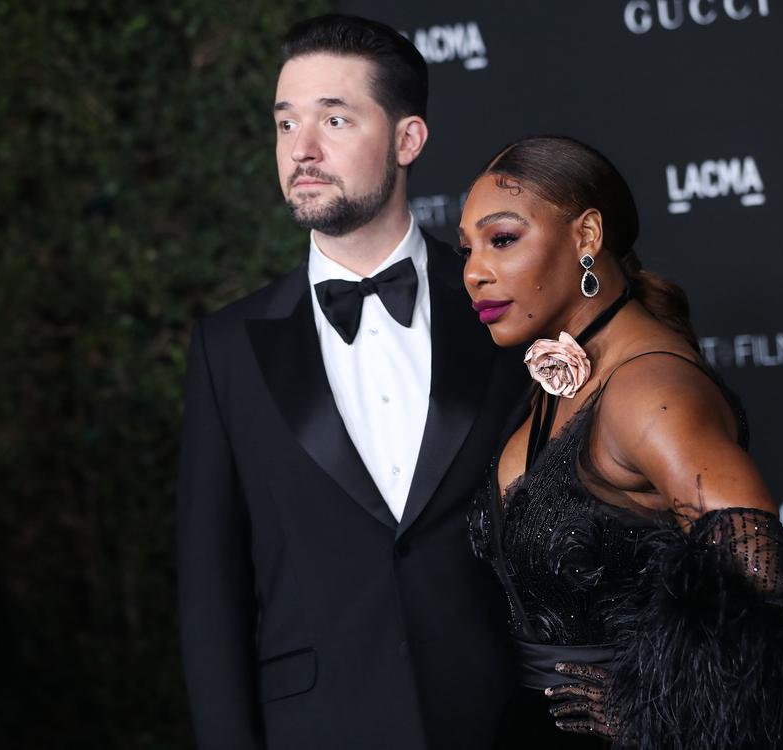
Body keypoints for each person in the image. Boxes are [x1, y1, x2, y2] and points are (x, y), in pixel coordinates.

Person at [176, 15, 526, 750]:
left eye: (334, 119)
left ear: (407, 140)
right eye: (285, 123)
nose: (301, 150)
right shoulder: (227, 347)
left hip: (502, 723)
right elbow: (211, 595)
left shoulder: (502, 310)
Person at [460, 136, 783, 749]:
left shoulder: (647, 388)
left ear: (586, 237)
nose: (474, 271)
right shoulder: (556, 378)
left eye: (501, 239)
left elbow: (764, 582)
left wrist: (666, 712)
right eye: (468, 249)